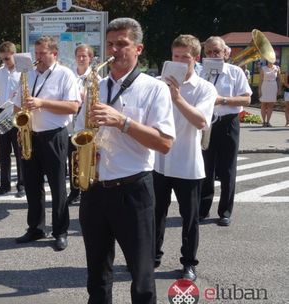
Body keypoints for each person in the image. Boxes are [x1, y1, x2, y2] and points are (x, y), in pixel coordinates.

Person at [76, 17, 175, 303]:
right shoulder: (96, 85)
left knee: (142, 277)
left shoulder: (153, 88)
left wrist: (123, 122)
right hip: (94, 189)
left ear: (139, 49)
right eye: (110, 44)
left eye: (122, 44)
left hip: (133, 191)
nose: (114, 51)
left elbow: (165, 143)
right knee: (97, 275)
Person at [153, 34, 217, 282]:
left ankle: (189, 262)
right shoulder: (158, 83)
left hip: (187, 163)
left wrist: (177, 97)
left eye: (185, 58)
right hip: (159, 160)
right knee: (155, 214)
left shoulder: (205, 88)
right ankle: (153, 255)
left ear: (195, 59)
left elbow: (202, 121)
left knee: (189, 219)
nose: (179, 62)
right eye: (175, 57)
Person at [13, 36, 81, 252]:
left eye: (42, 53)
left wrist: (42, 103)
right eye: (37, 53)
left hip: (55, 135)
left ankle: (60, 231)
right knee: (32, 185)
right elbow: (16, 106)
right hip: (30, 135)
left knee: (58, 186)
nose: (38, 58)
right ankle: (36, 227)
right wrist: (20, 119)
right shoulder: (27, 74)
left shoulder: (65, 74)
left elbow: (73, 106)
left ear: (54, 54)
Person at [199, 36, 252, 227]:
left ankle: (225, 212)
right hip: (207, 123)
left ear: (226, 53)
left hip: (228, 122)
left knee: (228, 169)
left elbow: (246, 100)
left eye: (217, 52)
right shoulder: (200, 72)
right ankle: (202, 210)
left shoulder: (235, 71)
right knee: (205, 168)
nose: (213, 55)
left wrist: (222, 100)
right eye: (209, 52)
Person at [0, 41, 25, 198]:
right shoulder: (0, 72)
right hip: (2, 112)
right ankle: (4, 185)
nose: (4, 62)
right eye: (2, 59)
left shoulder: (23, 71)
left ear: (14, 56)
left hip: (17, 113)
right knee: (3, 152)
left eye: (7, 59)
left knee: (19, 151)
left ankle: (21, 185)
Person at [67, 43, 97, 205]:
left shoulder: (95, 77)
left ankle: (87, 187)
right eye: (78, 55)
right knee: (72, 159)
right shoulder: (70, 76)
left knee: (85, 158)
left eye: (84, 56)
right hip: (69, 124)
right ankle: (74, 190)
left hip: (84, 125)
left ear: (90, 58)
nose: (80, 59)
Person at [258, 61, 280, 127]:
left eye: (272, 60)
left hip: (273, 86)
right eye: (269, 60)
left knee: (271, 105)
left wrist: (279, 88)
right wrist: (259, 89)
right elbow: (260, 80)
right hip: (265, 86)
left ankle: (268, 122)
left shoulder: (277, 68)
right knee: (263, 104)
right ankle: (264, 122)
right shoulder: (263, 68)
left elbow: (279, 79)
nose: (270, 62)